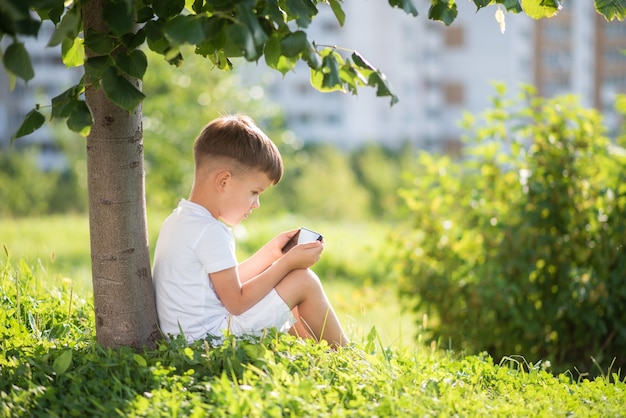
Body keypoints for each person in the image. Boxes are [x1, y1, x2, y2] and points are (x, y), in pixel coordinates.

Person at [152, 114, 349, 348]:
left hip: (193, 340)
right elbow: (236, 302)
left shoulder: (180, 220)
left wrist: (271, 255)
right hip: (212, 343)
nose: (256, 204)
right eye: (254, 192)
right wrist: (286, 264)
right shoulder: (211, 231)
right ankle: (349, 356)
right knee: (303, 281)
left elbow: (221, 286)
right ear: (223, 182)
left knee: (285, 282)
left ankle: (317, 354)